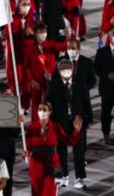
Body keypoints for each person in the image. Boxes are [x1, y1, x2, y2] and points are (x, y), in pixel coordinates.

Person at [47, 58, 92, 190]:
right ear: (59, 70)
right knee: (61, 151)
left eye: (68, 68)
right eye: (63, 68)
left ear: (73, 69)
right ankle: (63, 175)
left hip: (77, 122)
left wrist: (87, 119)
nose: (66, 70)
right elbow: (48, 103)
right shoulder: (54, 85)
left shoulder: (80, 83)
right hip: (60, 122)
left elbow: (86, 102)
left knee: (79, 151)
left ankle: (79, 178)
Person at [21, 101, 82, 196]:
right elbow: (28, 148)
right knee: (36, 193)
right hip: (36, 165)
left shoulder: (55, 126)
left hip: (52, 165)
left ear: (50, 112)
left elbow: (69, 141)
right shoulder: (31, 128)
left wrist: (76, 131)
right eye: (40, 109)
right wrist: (25, 154)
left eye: (44, 109)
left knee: (49, 192)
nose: (41, 111)